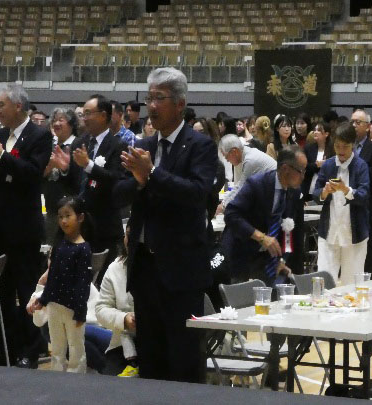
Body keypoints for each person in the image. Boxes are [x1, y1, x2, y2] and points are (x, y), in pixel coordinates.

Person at [114, 67, 217, 383]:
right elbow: (119, 193)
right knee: (151, 361)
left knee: (184, 362)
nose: (151, 106)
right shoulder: (143, 145)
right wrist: (139, 180)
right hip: (145, 270)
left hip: (182, 272)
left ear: (180, 104)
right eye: (149, 98)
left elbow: (197, 194)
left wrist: (152, 175)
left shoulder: (200, 145)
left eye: (159, 98)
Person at [0, 83, 53, 368]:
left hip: (23, 227)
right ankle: (4, 348)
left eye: (1, 105)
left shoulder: (39, 135)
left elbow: (32, 174)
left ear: (18, 106)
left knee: (26, 291)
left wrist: (2, 157)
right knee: (1, 292)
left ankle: (30, 350)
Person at [222, 146, 306, 285]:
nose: (303, 176)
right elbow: (231, 214)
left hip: (267, 259)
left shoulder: (294, 192)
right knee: (243, 296)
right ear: (285, 168)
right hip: (242, 252)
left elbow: (290, 230)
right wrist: (261, 238)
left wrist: (283, 259)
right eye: (300, 171)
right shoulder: (257, 184)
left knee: (269, 295)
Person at [29, 196, 92, 373]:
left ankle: (76, 382)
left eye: (68, 216)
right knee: (56, 349)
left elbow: (83, 283)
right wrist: (43, 300)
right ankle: (57, 380)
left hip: (73, 308)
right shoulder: (58, 245)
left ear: (80, 217)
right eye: (60, 216)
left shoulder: (84, 248)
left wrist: (80, 311)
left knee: (76, 349)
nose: (64, 221)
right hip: (54, 305)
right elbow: (53, 277)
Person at [64, 95, 125, 265]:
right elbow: (73, 184)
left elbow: (116, 181)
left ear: (103, 115)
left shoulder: (118, 145)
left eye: (88, 113)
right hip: (79, 225)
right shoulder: (79, 142)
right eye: (82, 114)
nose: (84, 118)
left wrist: (89, 166)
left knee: (102, 275)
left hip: (104, 225)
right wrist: (63, 170)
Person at [313, 123, 370, 286]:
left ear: (353, 145)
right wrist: (324, 192)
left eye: (345, 146)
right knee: (324, 281)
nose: (341, 150)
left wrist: (346, 190)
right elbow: (316, 193)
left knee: (351, 284)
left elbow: (364, 196)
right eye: (337, 146)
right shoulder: (328, 165)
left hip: (354, 233)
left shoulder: (361, 166)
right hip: (329, 231)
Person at [96, 230, 139, 377]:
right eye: (128, 235)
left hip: (157, 345)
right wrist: (124, 319)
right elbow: (101, 309)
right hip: (123, 344)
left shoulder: (164, 267)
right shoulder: (115, 268)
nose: (130, 240)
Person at [352, 109, 372, 274]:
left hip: (366, 205)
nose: (354, 125)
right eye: (352, 122)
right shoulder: (344, 146)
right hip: (346, 206)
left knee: (367, 251)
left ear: (367, 127)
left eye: (358, 122)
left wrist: (353, 171)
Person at [42, 107, 80, 244]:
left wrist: (64, 167)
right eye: (54, 120)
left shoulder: (77, 144)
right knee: (51, 247)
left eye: (61, 120)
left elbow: (79, 178)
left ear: (71, 124)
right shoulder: (49, 145)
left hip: (72, 210)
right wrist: (49, 167)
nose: (56, 123)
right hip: (52, 209)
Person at [218, 134, 277, 210]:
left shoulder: (250, 160)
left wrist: (223, 205)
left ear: (234, 151)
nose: (227, 160)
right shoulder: (246, 153)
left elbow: (241, 188)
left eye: (226, 157)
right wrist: (224, 202)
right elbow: (239, 184)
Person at [302, 121, 334, 202]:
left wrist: (325, 164)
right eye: (315, 130)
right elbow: (304, 166)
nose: (315, 132)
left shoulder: (333, 149)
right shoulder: (308, 148)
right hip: (308, 187)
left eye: (319, 130)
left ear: (326, 134)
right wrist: (317, 165)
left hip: (326, 188)